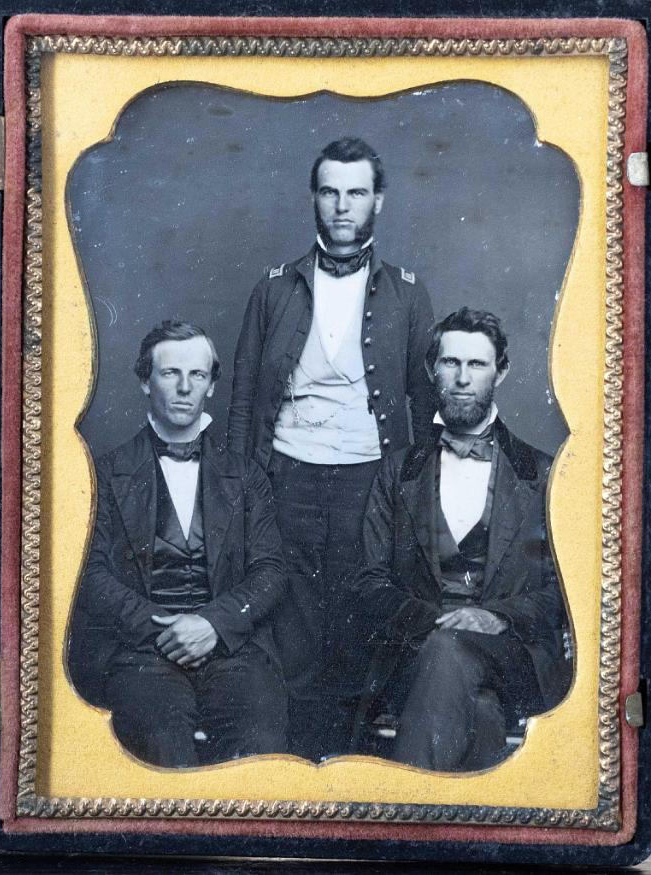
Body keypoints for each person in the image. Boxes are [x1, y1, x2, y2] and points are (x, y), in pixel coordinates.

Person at [228, 137, 434, 759]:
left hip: (370, 477)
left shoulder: (407, 292)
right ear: (313, 198)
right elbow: (242, 398)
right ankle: (290, 762)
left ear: (379, 201)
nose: (342, 206)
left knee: (357, 608)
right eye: (330, 191)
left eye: (356, 192)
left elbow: (424, 409)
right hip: (285, 471)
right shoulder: (272, 289)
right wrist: (241, 486)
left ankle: (346, 761)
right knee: (287, 609)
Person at [351, 307, 571, 771]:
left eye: (477, 364)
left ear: (502, 371)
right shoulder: (397, 472)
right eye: (451, 363)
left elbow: (563, 592)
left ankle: (405, 817)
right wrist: (434, 621)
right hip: (415, 649)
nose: (463, 378)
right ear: (433, 369)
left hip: (515, 655)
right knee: (480, 714)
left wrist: (495, 618)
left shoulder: (545, 474)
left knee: (450, 658)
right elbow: (369, 582)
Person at [68, 321, 287, 767]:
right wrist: (164, 630)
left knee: (261, 747)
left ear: (211, 385)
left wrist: (212, 624)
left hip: (231, 646)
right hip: (143, 652)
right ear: (145, 380)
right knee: (162, 746)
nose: (185, 388)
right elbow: (90, 576)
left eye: (198, 375)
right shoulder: (104, 474)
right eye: (170, 374)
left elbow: (271, 572)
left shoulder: (245, 476)